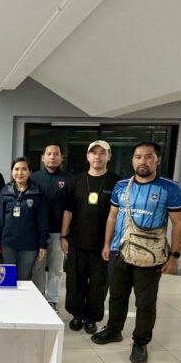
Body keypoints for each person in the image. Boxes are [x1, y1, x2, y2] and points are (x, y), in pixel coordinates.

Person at [91, 142, 181, 363]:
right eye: (138, 157)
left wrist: (175, 256)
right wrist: (107, 244)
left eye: (148, 156)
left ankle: (140, 342)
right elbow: (112, 216)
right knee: (117, 296)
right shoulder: (121, 186)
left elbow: (179, 224)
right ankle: (114, 329)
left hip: (149, 256)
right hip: (119, 251)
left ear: (157, 160)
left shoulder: (170, 188)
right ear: (132, 160)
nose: (143, 161)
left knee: (145, 302)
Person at [61, 140, 120, 334]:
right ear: (87, 156)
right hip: (77, 242)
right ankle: (77, 314)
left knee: (98, 285)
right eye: (94, 153)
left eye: (102, 153)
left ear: (109, 156)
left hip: (102, 246)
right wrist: (63, 236)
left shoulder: (117, 183)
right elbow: (68, 210)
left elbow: (119, 216)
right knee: (74, 282)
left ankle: (92, 318)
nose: (98, 156)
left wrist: (110, 244)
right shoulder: (76, 181)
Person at [31, 143, 72, 311]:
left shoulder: (69, 179)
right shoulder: (33, 178)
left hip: (58, 232)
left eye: (56, 154)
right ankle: (38, 297)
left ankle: (52, 299)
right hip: (37, 233)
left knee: (56, 268)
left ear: (61, 158)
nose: (52, 157)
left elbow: (70, 209)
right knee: (38, 267)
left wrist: (64, 235)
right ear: (43, 157)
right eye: (49, 154)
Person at [0, 157, 48, 281]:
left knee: (24, 278)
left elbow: (43, 220)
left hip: (29, 244)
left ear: (30, 172)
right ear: (12, 171)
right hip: (8, 243)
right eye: (16, 169)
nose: (20, 172)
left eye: (24, 169)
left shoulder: (37, 192)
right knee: (8, 278)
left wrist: (43, 244)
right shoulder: (5, 191)